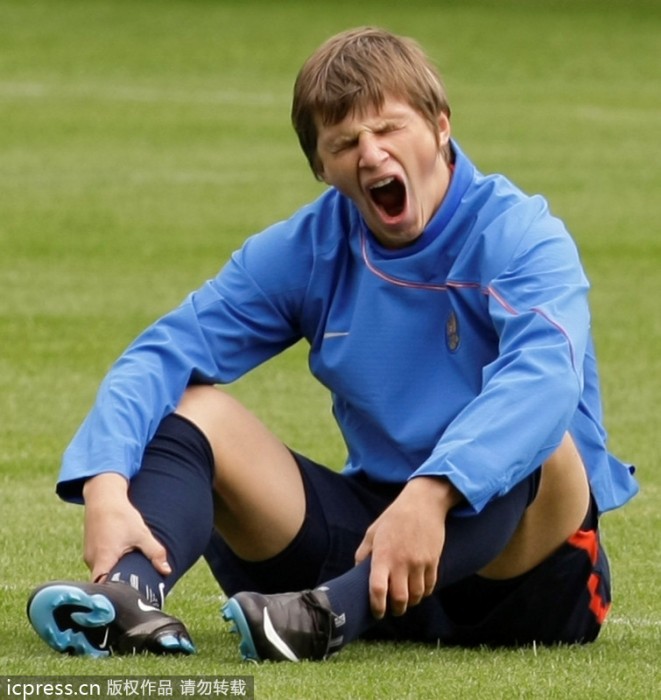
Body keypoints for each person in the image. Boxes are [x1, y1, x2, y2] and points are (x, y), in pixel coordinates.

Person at [27, 27, 638, 662]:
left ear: (440, 127)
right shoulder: (312, 245)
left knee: (545, 439)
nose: (371, 155)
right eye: (346, 142)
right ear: (322, 167)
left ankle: (329, 614)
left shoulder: (521, 234)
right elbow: (163, 352)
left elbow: (544, 378)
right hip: (376, 537)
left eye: (389, 129)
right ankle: (127, 596)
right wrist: (105, 486)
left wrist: (433, 493)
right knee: (191, 408)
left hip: (520, 580)